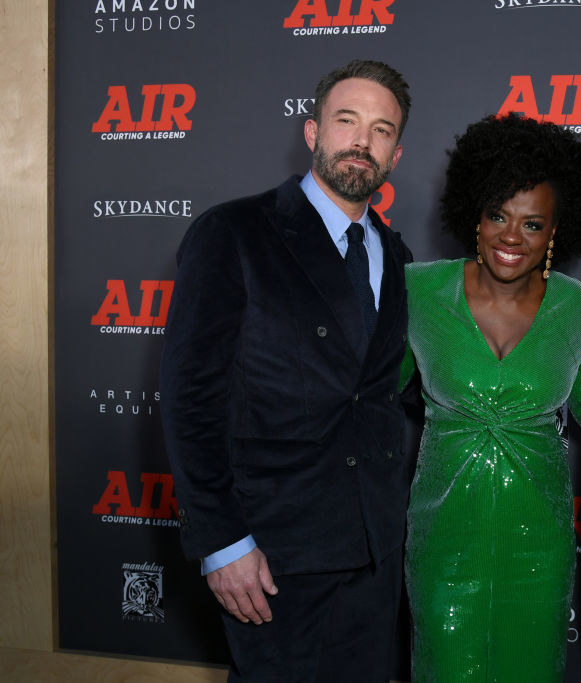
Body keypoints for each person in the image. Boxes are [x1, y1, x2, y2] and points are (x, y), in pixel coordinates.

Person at [160, 60, 413, 682]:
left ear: (397, 155)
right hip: (273, 553)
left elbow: (385, 399)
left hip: (375, 552)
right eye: (346, 120)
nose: (362, 140)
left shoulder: (399, 254)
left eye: (381, 130)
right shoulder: (235, 232)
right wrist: (223, 541)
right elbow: (191, 399)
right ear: (311, 132)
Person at [401, 114, 581, 681]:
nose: (511, 237)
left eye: (533, 223)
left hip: (538, 543)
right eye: (498, 215)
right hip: (443, 535)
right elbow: (362, 396)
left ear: (556, 232)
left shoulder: (577, 307)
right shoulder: (417, 291)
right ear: (475, 214)